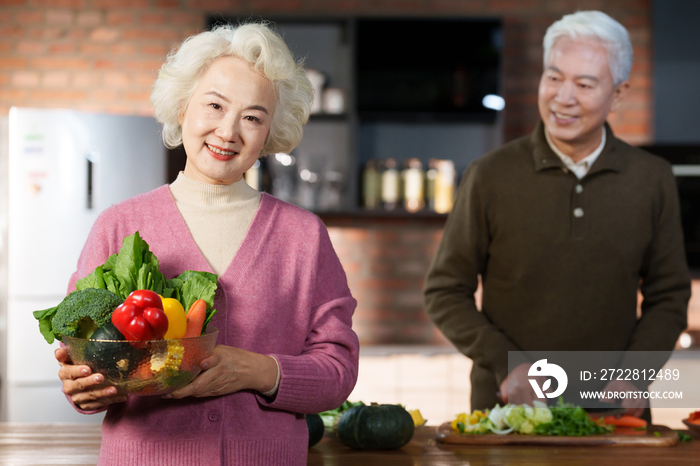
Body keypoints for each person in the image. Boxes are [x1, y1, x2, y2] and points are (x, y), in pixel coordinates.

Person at [54, 22, 359, 465]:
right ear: (183, 108)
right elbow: (81, 356)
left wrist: (257, 371)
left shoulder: (303, 236)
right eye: (215, 105)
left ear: (271, 132)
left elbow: (338, 371)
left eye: (253, 117)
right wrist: (82, 388)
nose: (229, 131)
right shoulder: (119, 224)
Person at [424, 11, 690, 420]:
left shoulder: (651, 178)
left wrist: (636, 375)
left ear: (618, 95)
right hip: (510, 410)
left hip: (615, 413)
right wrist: (506, 362)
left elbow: (670, 296)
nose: (563, 97)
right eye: (553, 77)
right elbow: (444, 291)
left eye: (584, 84)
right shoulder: (488, 175)